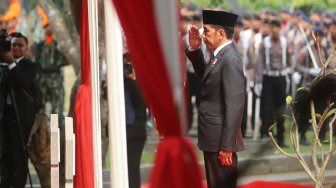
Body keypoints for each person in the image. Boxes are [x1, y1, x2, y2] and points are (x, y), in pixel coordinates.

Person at [186, 10, 245, 188]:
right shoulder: (220, 55)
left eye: (206, 31)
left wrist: (227, 146)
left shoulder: (229, 59)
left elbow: (235, 105)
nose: (203, 35)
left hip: (220, 140)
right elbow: (205, 74)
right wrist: (195, 49)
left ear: (221, 33)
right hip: (214, 138)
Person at [0, 32, 39, 187]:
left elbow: (20, 83)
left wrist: (10, 62)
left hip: (22, 119)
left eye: (19, 45)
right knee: (4, 156)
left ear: (26, 48)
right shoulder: (2, 64)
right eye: (13, 44)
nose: (15, 48)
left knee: (19, 157)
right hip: (4, 117)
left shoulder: (31, 66)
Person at [254, 19, 291, 147]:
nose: (274, 30)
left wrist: (290, 72)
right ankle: (266, 135)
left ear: (280, 28)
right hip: (268, 77)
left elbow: (290, 57)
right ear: (270, 29)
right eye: (272, 27)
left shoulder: (285, 42)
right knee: (267, 108)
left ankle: (281, 138)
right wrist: (258, 81)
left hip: (281, 77)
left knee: (281, 108)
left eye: (277, 27)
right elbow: (259, 62)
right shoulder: (265, 43)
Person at [123, 51, 147, 188]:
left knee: (132, 168)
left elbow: (140, 102)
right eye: (125, 64)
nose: (128, 67)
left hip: (135, 132)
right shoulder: (118, 82)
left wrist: (132, 81)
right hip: (121, 130)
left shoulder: (140, 82)